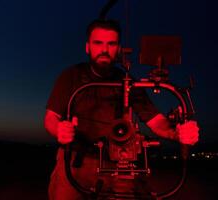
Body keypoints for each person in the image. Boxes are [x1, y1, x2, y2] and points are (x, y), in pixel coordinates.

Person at [44, 19, 199, 200]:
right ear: (88, 47)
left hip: (117, 163)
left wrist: (178, 133)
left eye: (111, 44)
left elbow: (156, 122)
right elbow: (50, 118)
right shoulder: (70, 76)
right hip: (76, 160)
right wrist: (61, 130)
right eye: (98, 43)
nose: (104, 49)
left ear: (118, 49)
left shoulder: (127, 81)